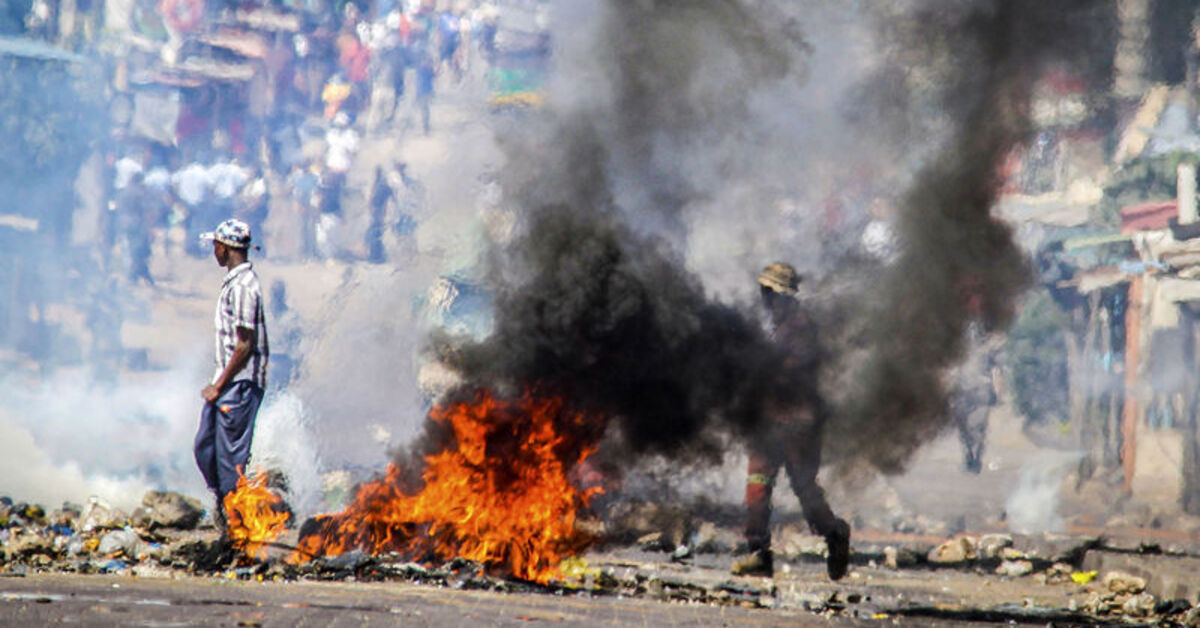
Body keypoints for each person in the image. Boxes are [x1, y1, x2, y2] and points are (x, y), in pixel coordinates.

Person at [732, 262, 850, 580]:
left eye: (769, 293)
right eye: (763, 292)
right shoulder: (778, 327)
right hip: (771, 421)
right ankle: (758, 553)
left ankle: (835, 534)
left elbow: (791, 373)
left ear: (783, 296)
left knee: (804, 489)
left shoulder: (801, 328)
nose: (765, 299)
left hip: (799, 423)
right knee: (756, 487)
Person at [194, 219, 270, 530]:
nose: (214, 250)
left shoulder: (243, 287)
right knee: (205, 447)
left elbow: (245, 345)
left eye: (216, 245)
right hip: (227, 383)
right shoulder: (234, 284)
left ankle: (238, 528)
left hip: (238, 385)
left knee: (230, 462)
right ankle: (225, 510)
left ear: (224, 248)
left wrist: (219, 385)